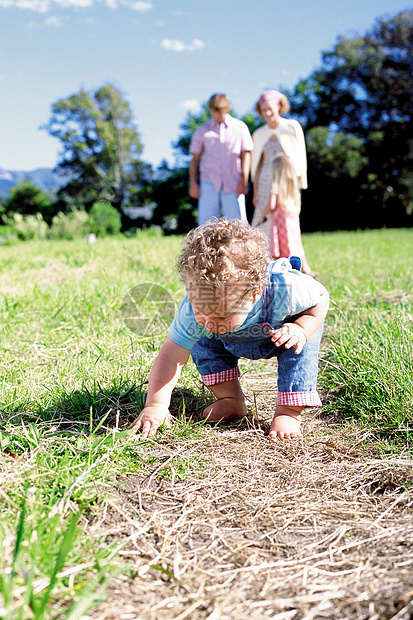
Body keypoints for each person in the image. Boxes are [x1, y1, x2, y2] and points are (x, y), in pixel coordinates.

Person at [132, 218, 329, 442]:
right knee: (201, 341)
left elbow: (321, 296)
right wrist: (156, 405)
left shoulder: (285, 288)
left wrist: (301, 328)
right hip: (229, 339)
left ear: (254, 294)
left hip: (282, 332)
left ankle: (288, 412)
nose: (208, 320)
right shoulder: (193, 312)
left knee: (299, 347)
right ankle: (231, 399)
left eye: (221, 315)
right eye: (200, 310)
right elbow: (171, 356)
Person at [251, 90, 315, 276]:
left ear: (279, 106)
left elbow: (299, 156)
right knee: (263, 222)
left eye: (269, 109)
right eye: (263, 110)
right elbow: (257, 164)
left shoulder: (292, 127)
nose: (267, 113)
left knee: (289, 223)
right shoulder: (259, 134)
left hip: (286, 181)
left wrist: (300, 181)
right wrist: (255, 190)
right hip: (265, 182)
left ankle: (302, 264)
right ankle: (263, 263)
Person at [189, 93, 253, 225]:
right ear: (211, 110)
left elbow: (246, 154)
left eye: (222, 111)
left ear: (227, 109)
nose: (218, 114)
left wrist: (244, 179)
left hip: (234, 181)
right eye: (215, 111)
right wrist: (193, 184)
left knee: (238, 225)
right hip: (209, 181)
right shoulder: (202, 131)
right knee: (206, 225)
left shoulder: (240, 127)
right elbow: (195, 159)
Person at [259, 153, 307, 261]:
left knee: (280, 253)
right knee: (294, 246)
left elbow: (272, 205)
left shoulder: (275, 184)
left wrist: (262, 215)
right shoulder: (293, 185)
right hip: (292, 219)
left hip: (280, 222)